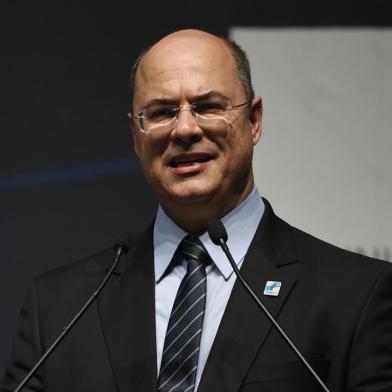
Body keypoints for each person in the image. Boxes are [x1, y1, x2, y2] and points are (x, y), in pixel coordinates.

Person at [1, 29, 392, 392]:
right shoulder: (58, 310)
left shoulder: (355, 297)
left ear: (253, 120)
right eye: (161, 112)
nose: (185, 129)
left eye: (208, 106)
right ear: (135, 135)